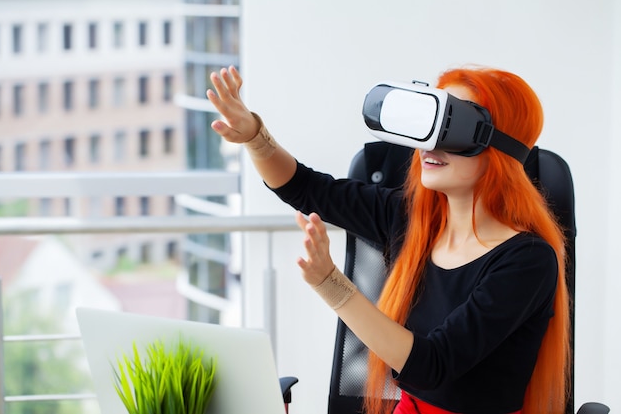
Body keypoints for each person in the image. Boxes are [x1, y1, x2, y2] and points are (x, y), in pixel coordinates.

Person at [207, 65, 570, 414]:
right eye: (428, 126)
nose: (428, 145)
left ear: (497, 148)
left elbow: (433, 366)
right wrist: (255, 137)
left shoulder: (528, 261)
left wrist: (332, 285)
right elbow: (306, 188)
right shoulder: (411, 219)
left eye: (450, 128)